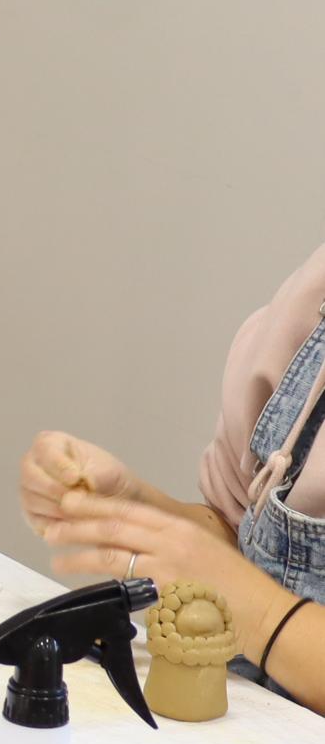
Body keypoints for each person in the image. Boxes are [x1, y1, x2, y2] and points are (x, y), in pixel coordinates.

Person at [21, 240, 325, 711]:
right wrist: (139, 512)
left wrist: (264, 615)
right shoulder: (311, 296)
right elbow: (246, 542)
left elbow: (250, 595)